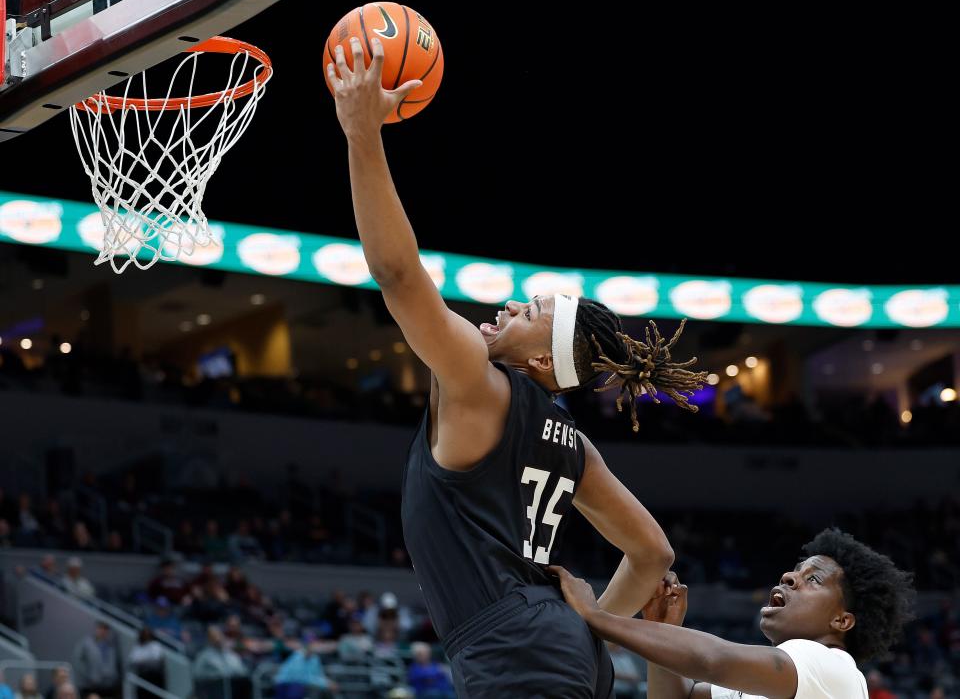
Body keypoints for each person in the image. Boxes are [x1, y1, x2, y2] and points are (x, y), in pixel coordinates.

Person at [328, 34, 705, 697]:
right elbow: (652, 553)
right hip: (553, 649)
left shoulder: (478, 382)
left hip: (518, 652)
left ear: (538, 357)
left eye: (528, 311)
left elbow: (395, 272)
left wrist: (362, 135)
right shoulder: (574, 446)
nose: (506, 306)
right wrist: (591, 627)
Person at [550, 529, 916, 699]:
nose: (789, 576)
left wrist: (599, 617)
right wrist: (662, 627)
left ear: (842, 621)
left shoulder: (833, 668)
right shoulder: (780, 678)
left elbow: (712, 660)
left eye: (813, 579)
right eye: (795, 570)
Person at [73, 621, 120, 697]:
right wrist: (88, 675)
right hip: (89, 685)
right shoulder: (86, 643)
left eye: (105, 629)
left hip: (107, 686)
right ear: (96, 629)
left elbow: (114, 665)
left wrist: (113, 678)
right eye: (101, 628)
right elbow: (77, 660)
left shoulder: (111, 646)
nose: (103, 631)